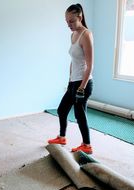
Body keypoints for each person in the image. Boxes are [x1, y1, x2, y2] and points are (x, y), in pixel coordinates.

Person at [48, 3, 94, 154]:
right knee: (62, 110)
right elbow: (73, 61)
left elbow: (89, 65)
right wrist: (70, 82)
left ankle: (86, 145)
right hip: (73, 82)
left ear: (80, 17)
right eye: (67, 21)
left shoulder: (86, 35)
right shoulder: (73, 35)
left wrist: (82, 86)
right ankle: (62, 137)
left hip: (83, 83)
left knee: (80, 115)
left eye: (72, 21)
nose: (69, 24)